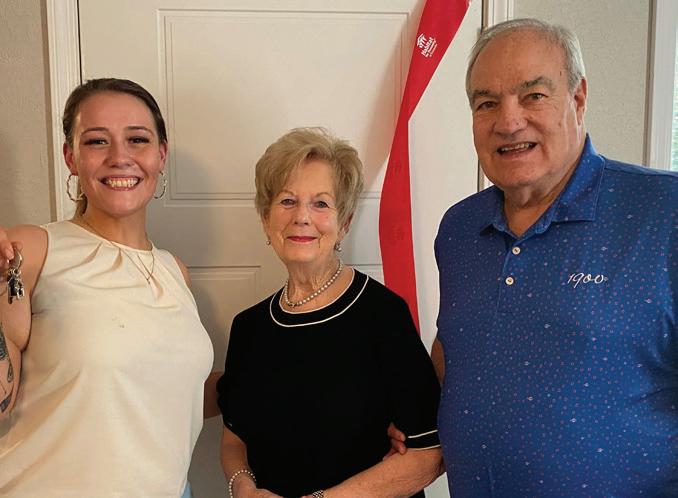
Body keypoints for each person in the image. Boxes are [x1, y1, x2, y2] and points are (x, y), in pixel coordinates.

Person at [426, 18, 677, 497]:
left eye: (534, 96)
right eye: (486, 103)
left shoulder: (664, 214)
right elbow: (458, 342)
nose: (508, 122)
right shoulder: (458, 229)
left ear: (578, 99)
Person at [0, 78, 216, 497]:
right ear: (71, 157)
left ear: (161, 155)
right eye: (97, 141)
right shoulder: (32, 250)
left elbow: (160, 393)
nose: (120, 157)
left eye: (137, 139)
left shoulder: (175, 271)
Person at [217, 128, 442, 498]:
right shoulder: (249, 327)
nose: (302, 217)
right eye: (287, 201)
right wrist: (243, 487)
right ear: (265, 219)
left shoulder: (382, 315)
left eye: (321, 203)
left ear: (345, 222)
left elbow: (429, 453)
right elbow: (234, 437)